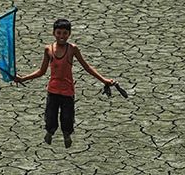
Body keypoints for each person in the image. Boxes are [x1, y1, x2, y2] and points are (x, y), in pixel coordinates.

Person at [13, 18, 115, 148]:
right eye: (59, 33)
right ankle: (50, 132)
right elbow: (41, 71)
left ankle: (66, 135)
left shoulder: (73, 49)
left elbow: (87, 67)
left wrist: (104, 80)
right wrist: (22, 78)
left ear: (69, 34)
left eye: (65, 33)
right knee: (50, 118)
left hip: (67, 92)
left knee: (67, 119)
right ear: (53, 33)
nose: (62, 36)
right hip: (53, 91)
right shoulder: (48, 49)